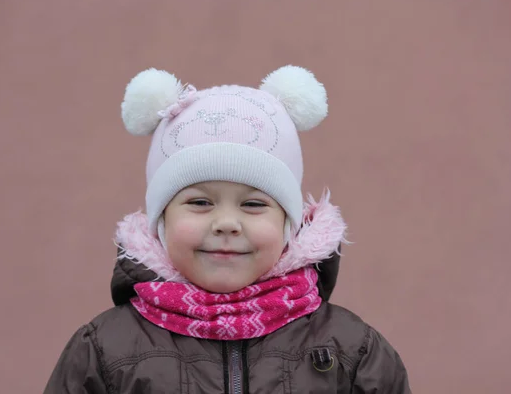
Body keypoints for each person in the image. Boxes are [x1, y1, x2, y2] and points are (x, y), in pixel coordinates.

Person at [44, 65, 411, 393]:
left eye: (253, 204)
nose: (226, 224)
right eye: (200, 203)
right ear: (161, 223)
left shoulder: (351, 350)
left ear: (288, 226)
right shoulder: (104, 351)